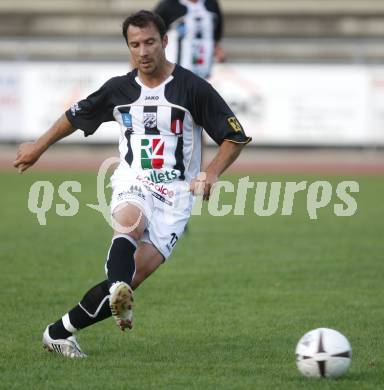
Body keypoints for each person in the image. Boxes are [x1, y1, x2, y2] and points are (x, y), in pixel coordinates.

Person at [14, 10, 251, 358]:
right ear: (128, 47)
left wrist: (212, 171)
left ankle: (58, 333)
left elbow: (234, 136)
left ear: (165, 42)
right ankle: (117, 291)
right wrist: (38, 146)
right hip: (134, 179)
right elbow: (74, 116)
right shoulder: (119, 89)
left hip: (176, 196)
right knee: (129, 223)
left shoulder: (193, 88)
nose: (143, 51)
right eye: (135, 44)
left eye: (150, 42)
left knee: (130, 278)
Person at [154, 0, 225, 80]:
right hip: (175, 70)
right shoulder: (168, 5)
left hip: (204, 69)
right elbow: (152, 29)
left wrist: (217, 49)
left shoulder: (211, 4)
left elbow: (216, 34)